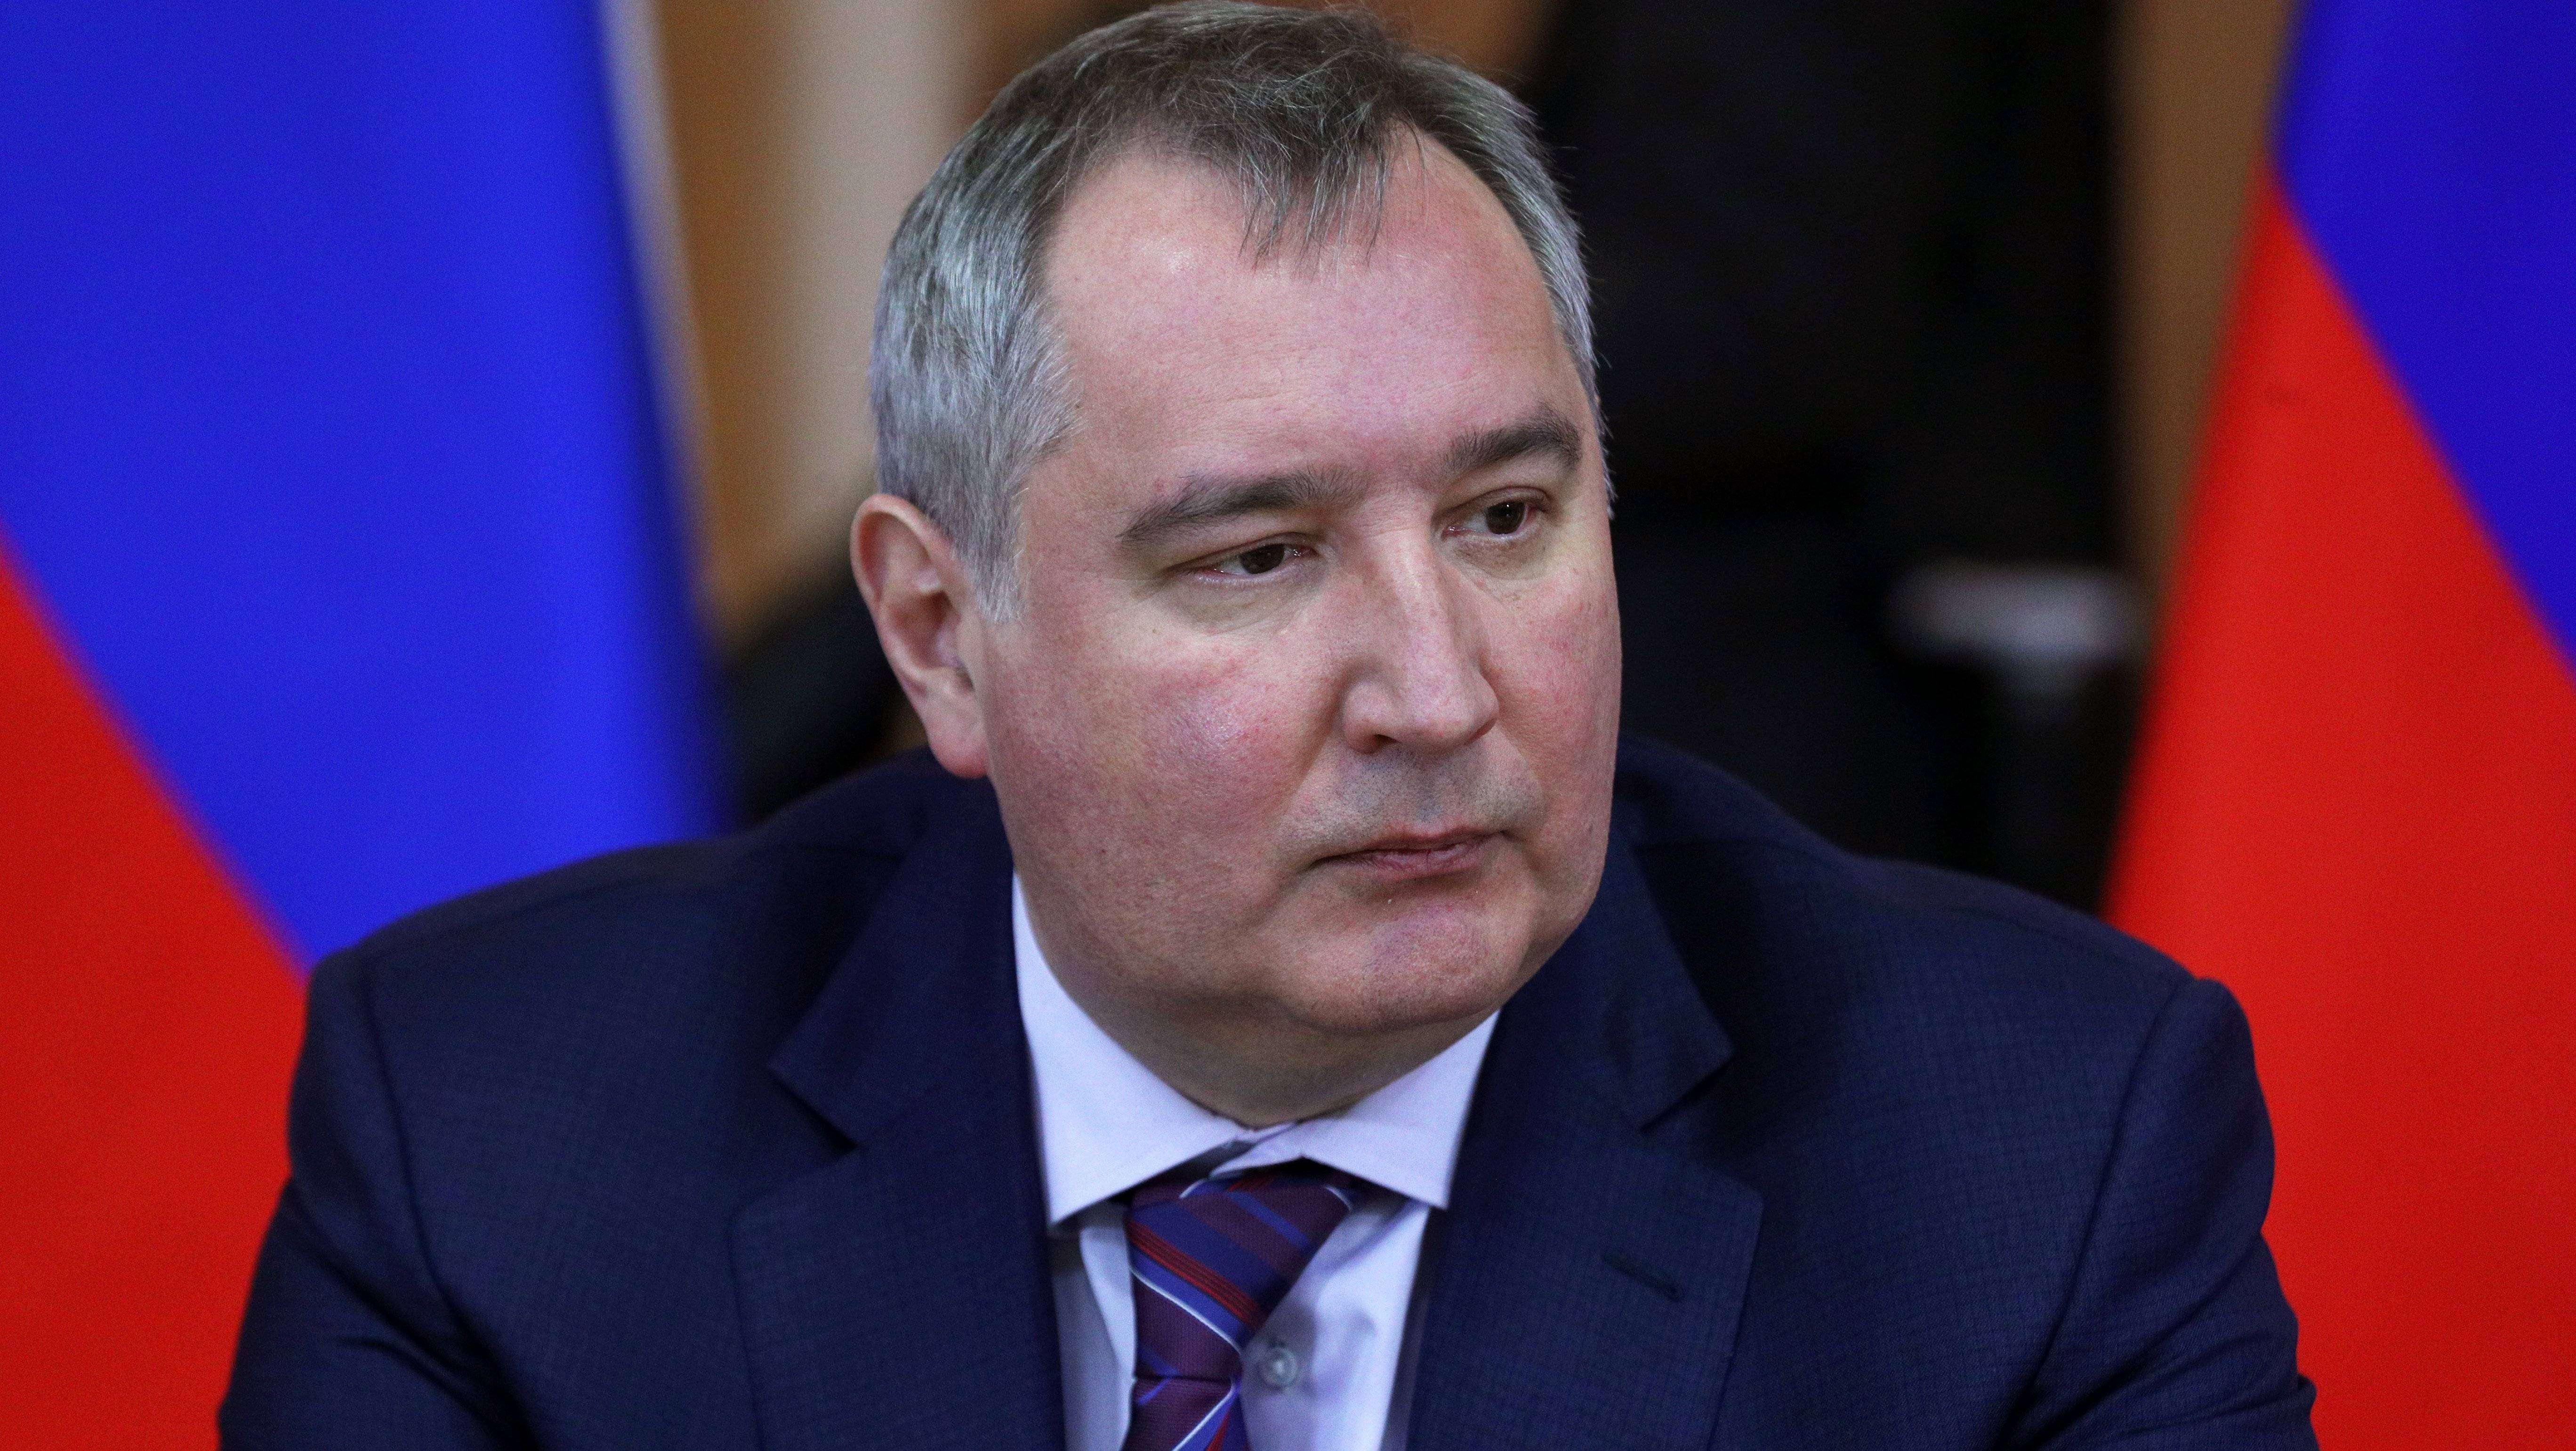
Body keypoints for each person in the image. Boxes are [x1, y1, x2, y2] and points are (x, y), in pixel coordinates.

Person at [220, 6, 2314, 1447]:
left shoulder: (2035, 1156)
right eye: (1258, 558)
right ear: (939, 636)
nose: (1439, 690)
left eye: (1506, 520)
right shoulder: (501, 1143)